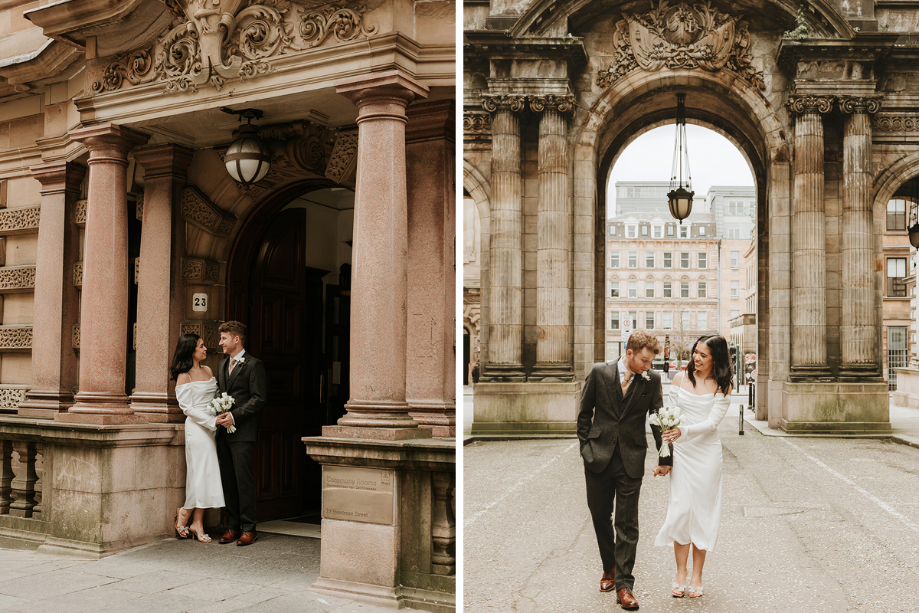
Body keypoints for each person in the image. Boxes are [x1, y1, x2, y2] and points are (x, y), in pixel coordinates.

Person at [577, 331, 670, 611]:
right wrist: (586, 448)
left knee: (628, 523)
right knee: (600, 516)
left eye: (651, 361)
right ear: (629, 353)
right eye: (644, 360)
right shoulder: (599, 373)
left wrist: (666, 457)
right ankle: (609, 567)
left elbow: (657, 418)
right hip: (598, 457)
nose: (648, 366)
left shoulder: (651, 380)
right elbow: (584, 414)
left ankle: (624, 586)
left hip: (631, 457)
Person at [655, 334, 733, 599]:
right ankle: (680, 572)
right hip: (683, 453)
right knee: (681, 510)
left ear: (716, 359)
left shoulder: (723, 385)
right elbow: (669, 416)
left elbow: (712, 423)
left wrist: (682, 431)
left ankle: (697, 575)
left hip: (706, 455)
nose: (696, 358)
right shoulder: (679, 379)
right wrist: (665, 456)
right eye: (695, 352)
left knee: (702, 512)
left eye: (703, 355)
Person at [215, 321, 267, 546]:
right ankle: (232, 526)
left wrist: (234, 416)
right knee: (228, 479)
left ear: (236, 339)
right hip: (223, 432)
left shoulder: (254, 365)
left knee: (242, 480)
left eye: (224, 338)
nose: (220, 343)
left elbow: (258, 399)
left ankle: (249, 527)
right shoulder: (221, 364)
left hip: (243, 431)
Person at [171, 333, 224, 543]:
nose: (205, 349)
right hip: (197, 429)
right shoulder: (184, 375)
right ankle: (190, 517)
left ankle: (191, 517)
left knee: (203, 474)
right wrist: (212, 421)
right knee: (201, 473)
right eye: (201, 346)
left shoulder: (208, 370)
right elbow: (187, 408)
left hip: (212, 427)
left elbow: (216, 397)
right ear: (191, 350)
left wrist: (221, 411)